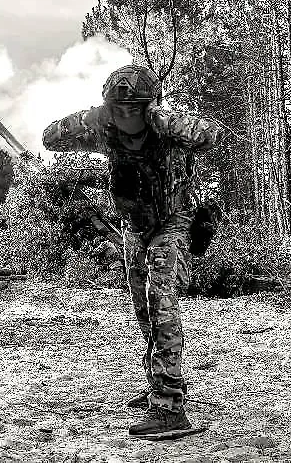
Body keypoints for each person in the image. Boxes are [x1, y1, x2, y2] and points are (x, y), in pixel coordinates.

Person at [42, 64, 223, 437]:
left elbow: (212, 135)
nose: (126, 117)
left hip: (173, 223)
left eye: (135, 109)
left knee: (161, 304)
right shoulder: (107, 131)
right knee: (144, 310)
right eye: (118, 109)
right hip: (135, 229)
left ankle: (171, 408)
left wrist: (161, 115)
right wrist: (92, 116)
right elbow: (50, 139)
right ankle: (159, 382)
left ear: (150, 107)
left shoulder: (168, 132)